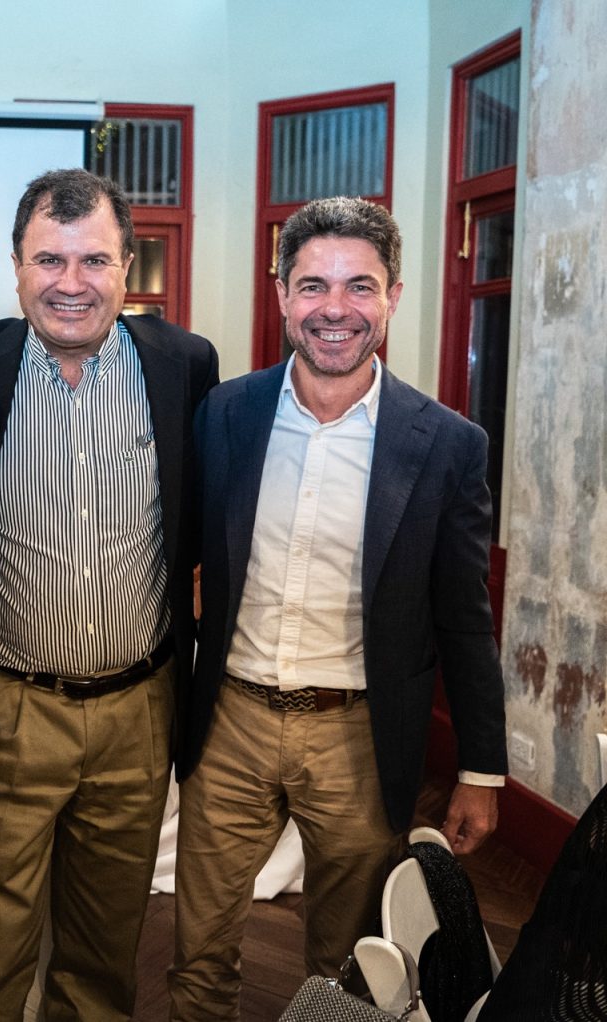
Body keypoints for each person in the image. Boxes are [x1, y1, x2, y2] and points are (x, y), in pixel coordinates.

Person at [169, 195, 509, 1020]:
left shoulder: (448, 445)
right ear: (282, 294)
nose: (335, 308)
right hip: (231, 723)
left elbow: (465, 619)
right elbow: (178, 559)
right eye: (314, 285)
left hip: (359, 736)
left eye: (360, 286)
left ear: (393, 296)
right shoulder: (225, 414)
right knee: (196, 956)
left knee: (347, 969)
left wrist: (480, 770)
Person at [0, 169, 219, 1020]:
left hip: (139, 713)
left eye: (94, 260)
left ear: (128, 267)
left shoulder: (183, 365)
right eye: (49, 260)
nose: (72, 283)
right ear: (16, 268)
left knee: (103, 957)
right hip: (11, 712)